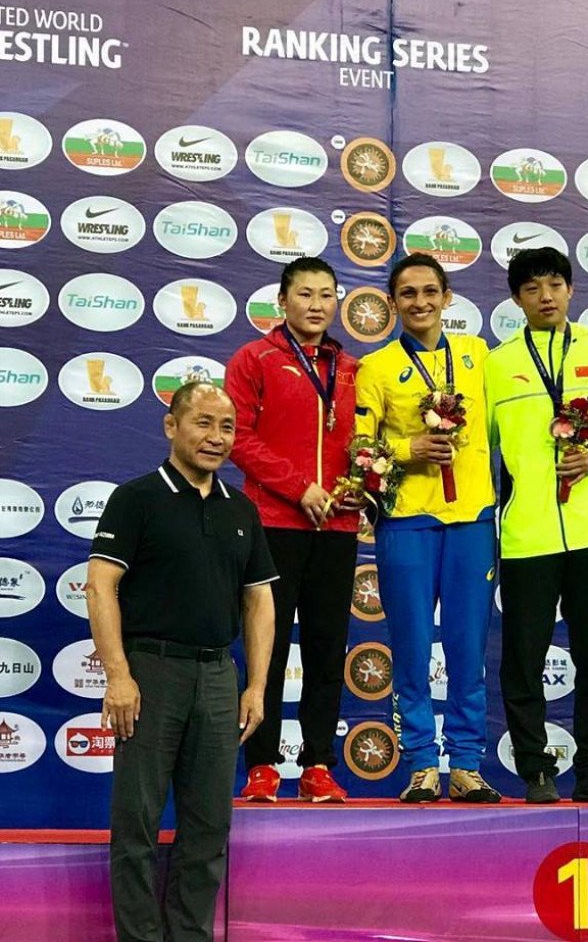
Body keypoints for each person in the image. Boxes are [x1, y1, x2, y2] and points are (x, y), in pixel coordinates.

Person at [86, 381, 277, 942]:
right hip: (151, 674)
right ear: (172, 427)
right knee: (137, 826)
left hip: (219, 678)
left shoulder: (241, 509)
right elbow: (100, 587)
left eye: (227, 427)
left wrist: (256, 686)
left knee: (209, 828)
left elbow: (259, 601)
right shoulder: (136, 499)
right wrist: (119, 677)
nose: (216, 437)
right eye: (203, 423)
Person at [484, 247, 588, 804]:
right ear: (516, 299)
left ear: (571, 289)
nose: (546, 296)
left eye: (554, 284)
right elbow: (477, 442)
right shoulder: (498, 364)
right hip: (526, 535)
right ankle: (534, 769)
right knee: (523, 661)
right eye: (532, 288)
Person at [354, 252, 501, 804]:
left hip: (472, 521)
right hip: (407, 522)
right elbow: (360, 448)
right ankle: (421, 764)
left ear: (447, 297)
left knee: (467, 649)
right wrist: (406, 447)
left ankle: (465, 764)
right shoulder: (375, 367)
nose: (420, 302)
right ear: (393, 304)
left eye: (429, 291)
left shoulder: (478, 355)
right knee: (411, 648)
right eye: (408, 293)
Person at [225, 256, 359, 804]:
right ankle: (261, 764)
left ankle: (318, 764)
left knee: (327, 648)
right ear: (283, 301)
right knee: (268, 648)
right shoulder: (253, 358)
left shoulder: (351, 368)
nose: (316, 305)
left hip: (337, 525)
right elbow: (238, 437)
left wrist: (361, 488)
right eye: (305, 294)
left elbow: (366, 444)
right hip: (274, 523)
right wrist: (299, 486)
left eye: (327, 295)